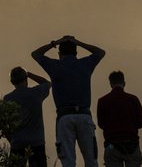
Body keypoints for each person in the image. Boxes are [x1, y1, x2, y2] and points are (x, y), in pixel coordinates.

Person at [31, 35, 105, 167]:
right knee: (91, 161)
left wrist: (55, 42)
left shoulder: (55, 66)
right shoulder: (85, 64)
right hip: (84, 115)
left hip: (64, 117)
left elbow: (36, 54)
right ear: (76, 53)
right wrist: (79, 42)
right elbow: (100, 52)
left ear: (60, 54)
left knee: (68, 162)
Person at [3, 67, 51, 167]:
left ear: (12, 82)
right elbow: (47, 83)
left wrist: (12, 140)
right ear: (26, 79)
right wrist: (29, 73)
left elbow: (3, 125)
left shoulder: (8, 99)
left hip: (17, 143)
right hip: (36, 143)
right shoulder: (36, 93)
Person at [97, 71, 142, 167]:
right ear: (124, 83)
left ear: (110, 84)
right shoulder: (133, 99)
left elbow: (101, 124)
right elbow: (141, 123)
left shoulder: (102, 101)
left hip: (112, 145)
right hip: (132, 145)